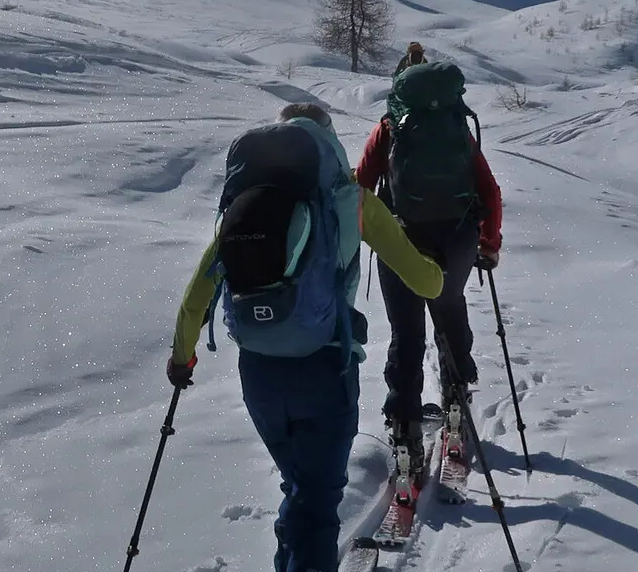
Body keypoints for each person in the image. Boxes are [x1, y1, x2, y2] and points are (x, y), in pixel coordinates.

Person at [167, 103, 444, 572]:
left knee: (297, 486)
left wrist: (182, 358)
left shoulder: (246, 201)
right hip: (324, 367)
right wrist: (439, 264)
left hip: (258, 370)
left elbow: (198, 293)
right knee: (315, 503)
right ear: (328, 144)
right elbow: (426, 283)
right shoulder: (352, 200)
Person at [352, 59, 504, 458]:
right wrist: (488, 243)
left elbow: (360, 188)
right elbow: (489, 191)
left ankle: (405, 428)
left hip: (401, 239)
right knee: (450, 309)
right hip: (457, 238)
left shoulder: (388, 128)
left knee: (406, 331)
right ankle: (455, 404)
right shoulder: (458, 128)